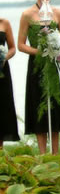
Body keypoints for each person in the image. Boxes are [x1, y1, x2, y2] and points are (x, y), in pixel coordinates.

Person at [17, 0, 60, 154]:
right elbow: (21, 45)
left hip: (55, 66)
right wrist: (40, 52)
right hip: (37, 66)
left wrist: (58, 50)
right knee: (39, 107)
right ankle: (42, 155)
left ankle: (55, 154)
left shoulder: (59, 13)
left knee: (55, 108)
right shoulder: (27, 15)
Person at [0, 18, 20, 148]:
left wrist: (3, 57)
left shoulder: (4, 23)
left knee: (1, 109)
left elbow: (12, 48)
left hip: (2, 71)